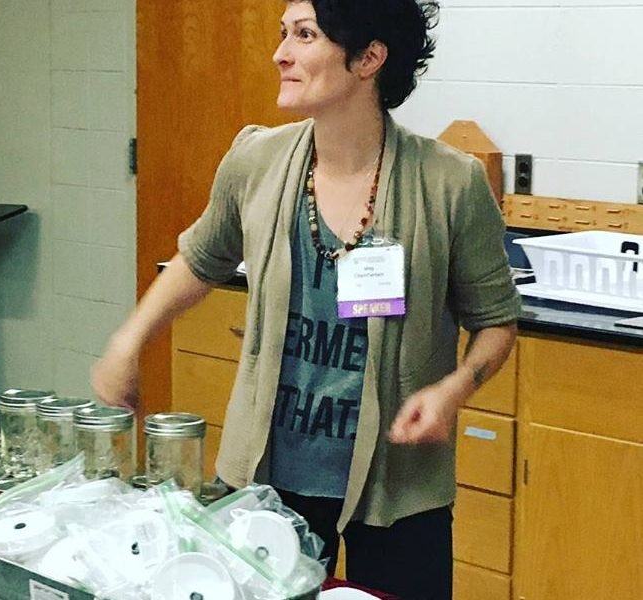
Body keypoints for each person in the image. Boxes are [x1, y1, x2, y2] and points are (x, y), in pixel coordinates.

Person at [92, 1, 520, 598]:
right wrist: (129, 339)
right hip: (267, 481)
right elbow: (200, 257)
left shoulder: (451, 181)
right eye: (283, 33)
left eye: (305, 35)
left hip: (398, 491)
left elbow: (497, 322)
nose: (280, 53)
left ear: (369, 57)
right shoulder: (256, 160)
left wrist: (455, 388)